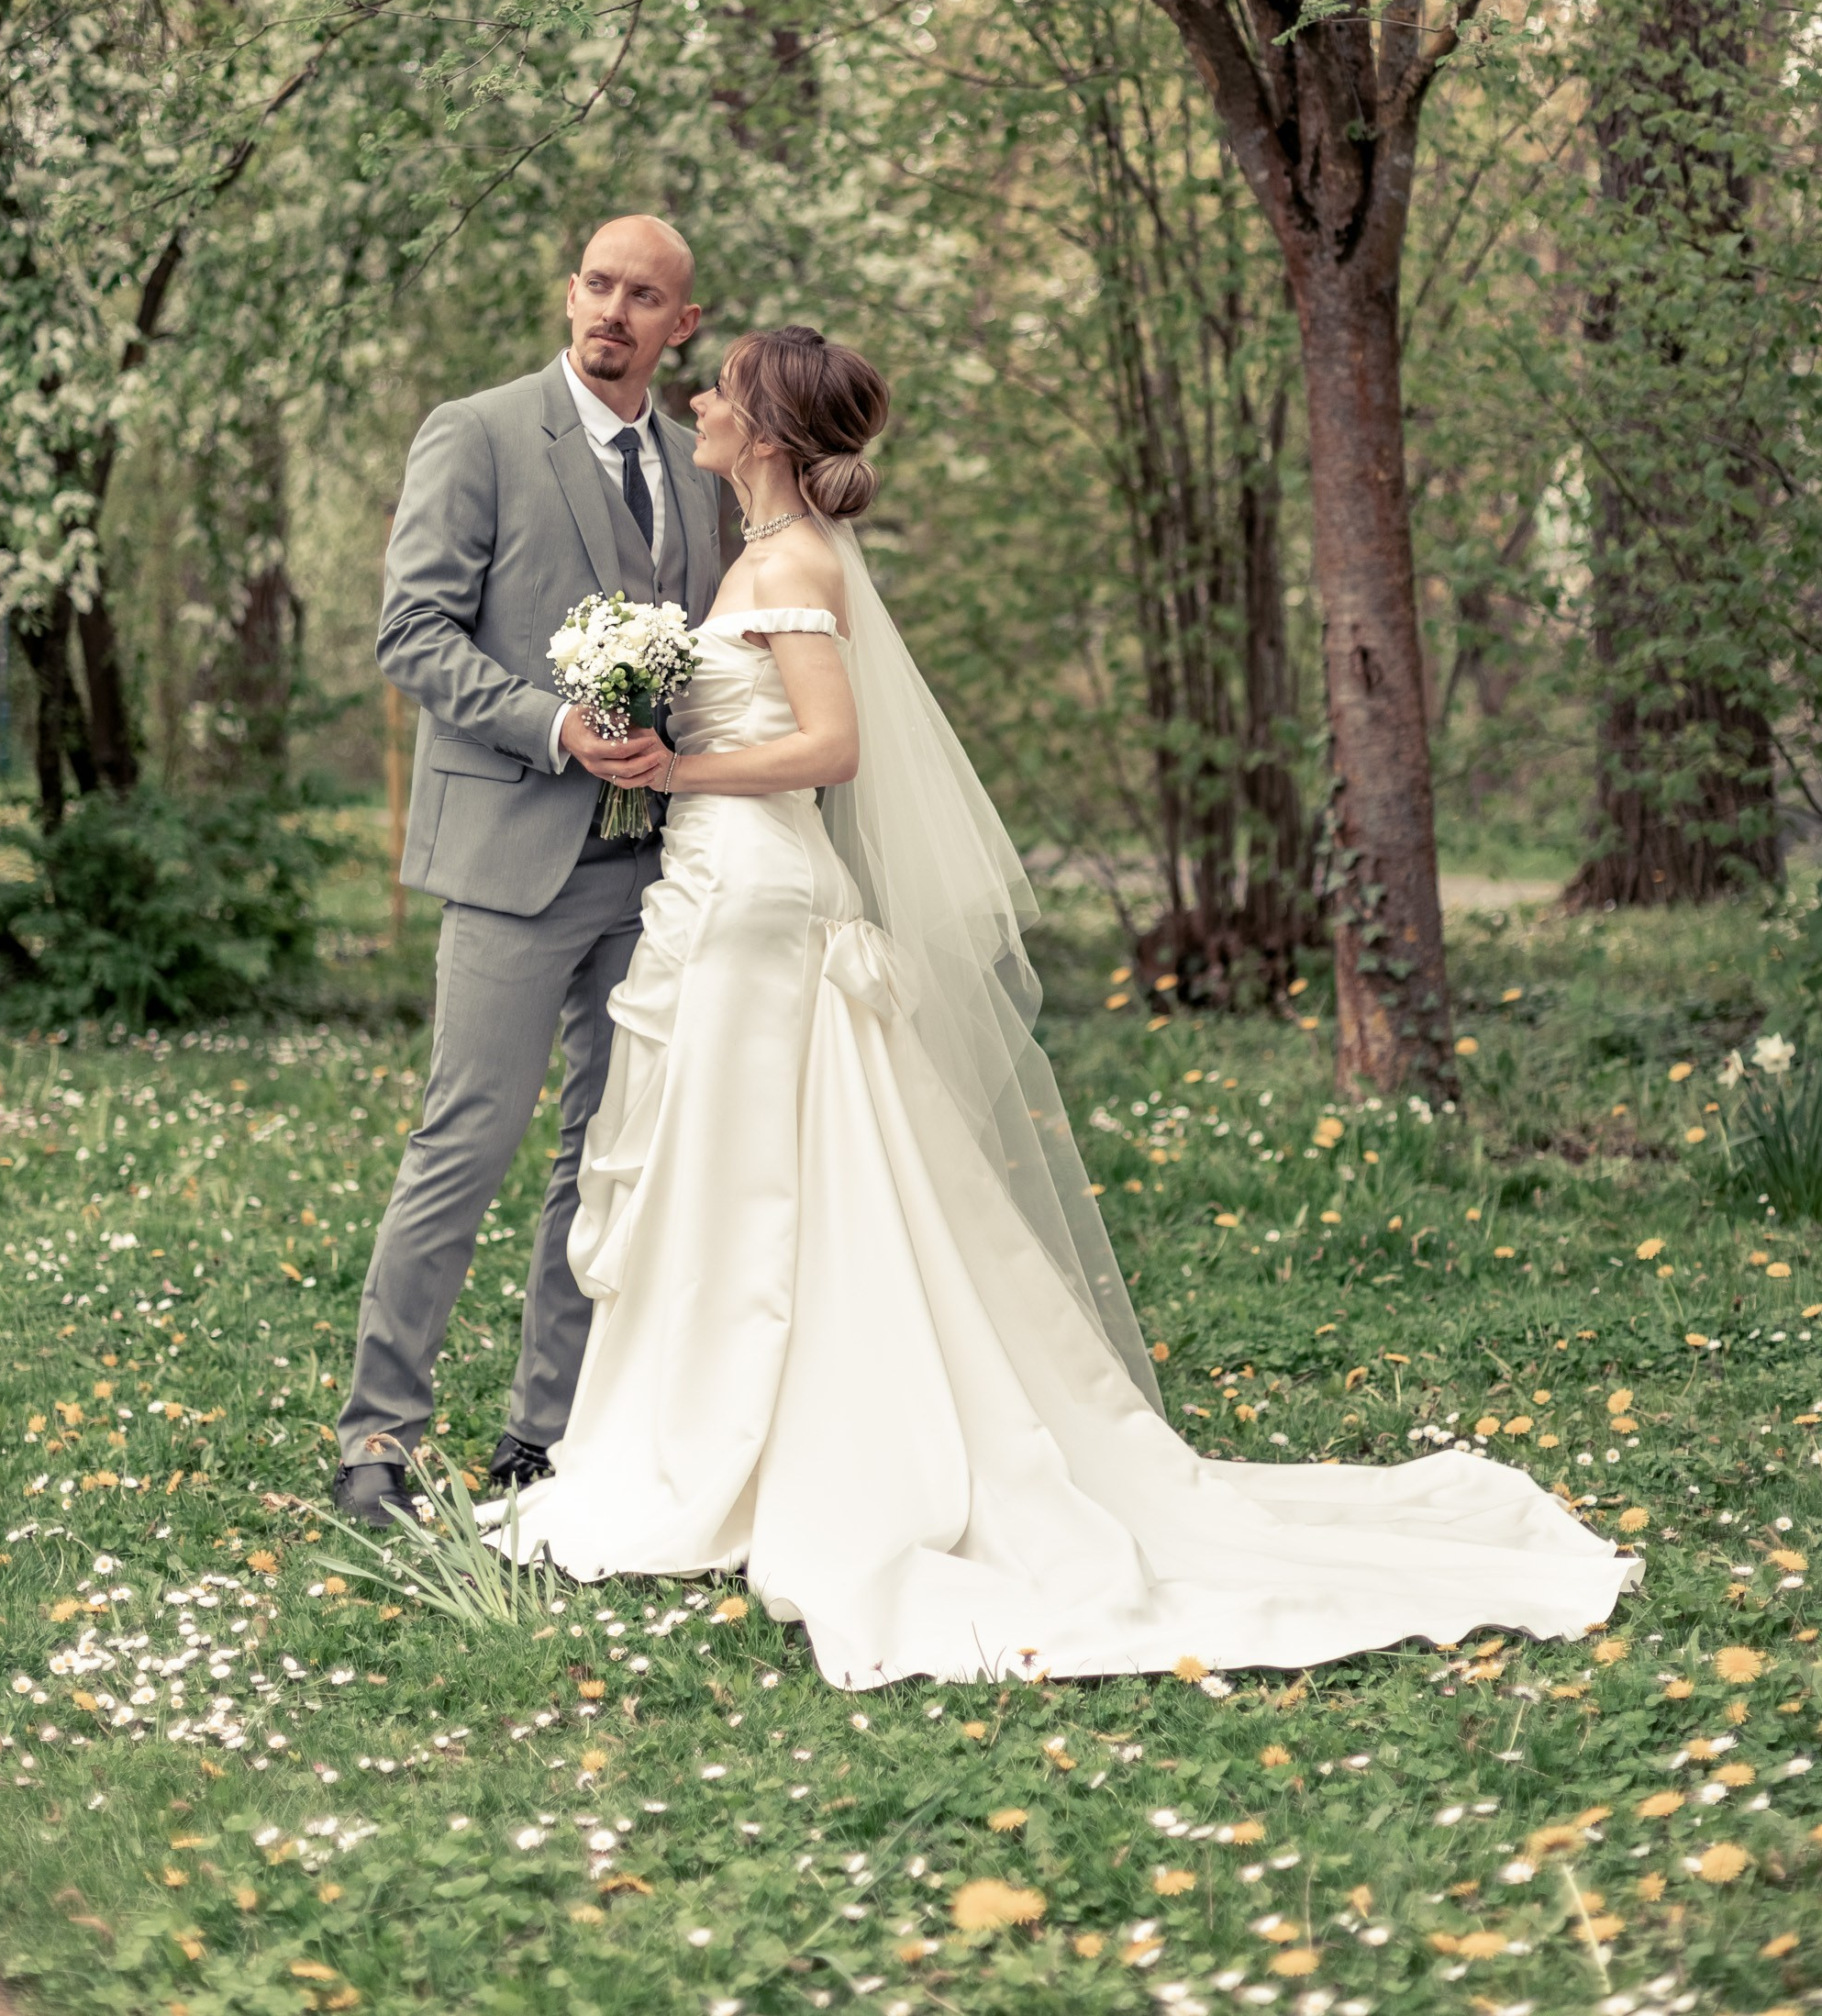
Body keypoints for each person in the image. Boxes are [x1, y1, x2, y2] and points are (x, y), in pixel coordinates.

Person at [505, 323, 1640, 1687]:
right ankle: (698, 1434)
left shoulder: (794, 561)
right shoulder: (756, 557)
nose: (697, 399)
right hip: (719, 890)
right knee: (729, 1165)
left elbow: (832, 745)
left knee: (765, 1172)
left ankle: (760, 1447)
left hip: (756, 891)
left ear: (764, 428)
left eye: (721, 389)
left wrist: (680, 775)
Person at [332, 215, 720, 1527]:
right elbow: (413, 631)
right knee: (467, 1141)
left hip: (654, 870)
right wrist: (558, 726)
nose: (615, 311)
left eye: (644, 296)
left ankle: (542, 1435)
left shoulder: (699, 464)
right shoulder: (481, 431)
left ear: (684, 324)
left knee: (601, 1158)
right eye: (599, 286)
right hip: (510, 850)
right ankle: (377, 1441)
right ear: (570, 293)